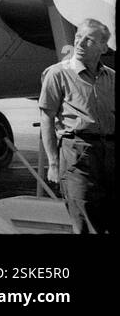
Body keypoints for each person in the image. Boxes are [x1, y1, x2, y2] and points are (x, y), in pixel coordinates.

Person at [39, 18, 114, 233]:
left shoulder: (112, 78)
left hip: (110, 153)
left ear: (103, 47)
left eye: (89, 40)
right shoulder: (58, 74)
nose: (80, 44)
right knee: (86, 221)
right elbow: (46, 117)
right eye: (78, 37)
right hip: (78, 153)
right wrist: (53, 163)